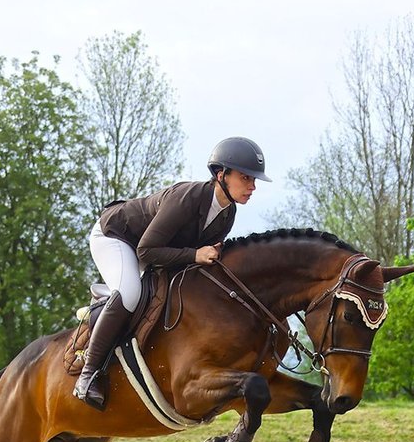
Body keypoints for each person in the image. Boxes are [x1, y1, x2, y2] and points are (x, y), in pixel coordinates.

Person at [73, 136, 271, 410]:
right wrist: (195, 255)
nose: (252, 186)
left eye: (254, 180)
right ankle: (88, 374)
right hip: (117, 238)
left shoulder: (228, 213)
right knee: (130, 294)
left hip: (153, 251)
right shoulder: (187, 198)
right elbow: (147, 251)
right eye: (246, 178)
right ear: (221, 174)